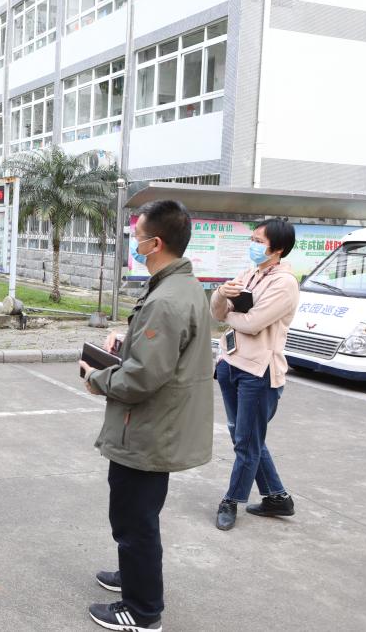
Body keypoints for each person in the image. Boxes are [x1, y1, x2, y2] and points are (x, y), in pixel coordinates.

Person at [79, 200, 213, 632]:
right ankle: (133, 575)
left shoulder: (167, 300)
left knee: (134, 520)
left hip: (148, 429)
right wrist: (127, 342)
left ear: (155, 243)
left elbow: (142, 377)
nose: (132, 244)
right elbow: (159, 355)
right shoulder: (181, 287)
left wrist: (97, 378)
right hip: (158, 425)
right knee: (138, 515)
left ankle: (142, 610)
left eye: (135, 237)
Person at [210, 218, 300, 531]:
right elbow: (217, 312)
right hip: (231, 364)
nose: (253, 245)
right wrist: (221, 293)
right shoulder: (249, 273)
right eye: (253, 239)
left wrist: (230, 314)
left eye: (259, 241)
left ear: (278, 249)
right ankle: (277, 498)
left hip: (259, 373)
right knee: (247, 437)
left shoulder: (284, 284)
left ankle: (231, 501)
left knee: (246, 443)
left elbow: (253, 324)